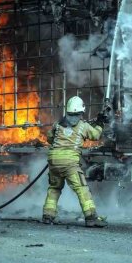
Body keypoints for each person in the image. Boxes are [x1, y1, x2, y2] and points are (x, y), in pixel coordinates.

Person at [42, 96, 108, 227]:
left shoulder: (58, 124)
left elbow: (49, 138)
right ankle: (91, 218)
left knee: (54, 188)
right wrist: (100, 124)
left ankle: (48, 215)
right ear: (81, 113)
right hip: (70, 163)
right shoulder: (83, 126)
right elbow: (95, 135)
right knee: (82, 189)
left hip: (53, 160)